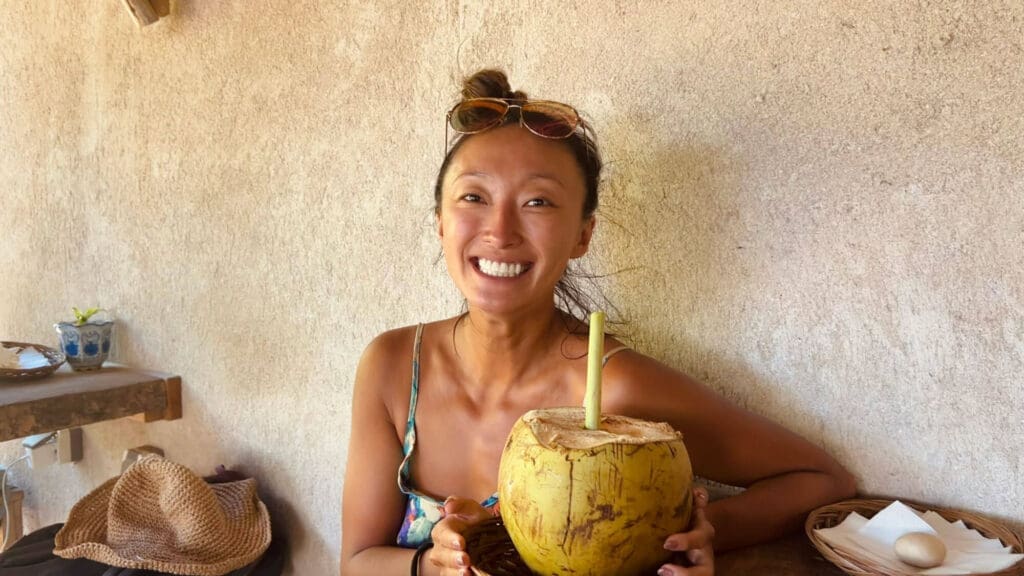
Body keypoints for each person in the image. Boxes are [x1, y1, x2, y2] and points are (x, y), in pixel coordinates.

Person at [339, 69, 856, 576]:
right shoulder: (393, 367)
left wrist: (693, 535)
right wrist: (431, 565)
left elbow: (819, 479)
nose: (499, 230)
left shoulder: (614, 390)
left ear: (583, 235)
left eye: (537, 202)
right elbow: (356, 562)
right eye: (474, 197)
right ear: (441, 222)